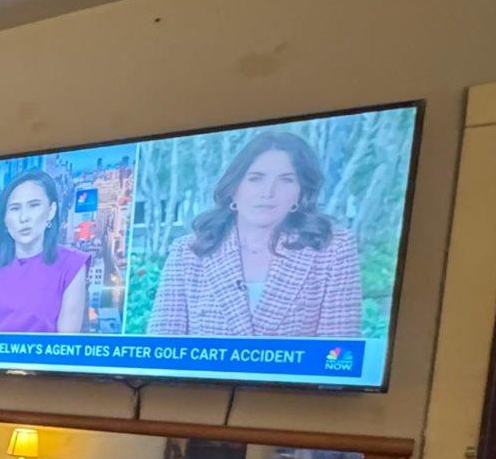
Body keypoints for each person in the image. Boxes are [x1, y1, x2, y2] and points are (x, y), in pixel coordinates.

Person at [145, 129, 362, 337]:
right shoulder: (189, 252)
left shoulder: (332, 249)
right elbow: (160, 349)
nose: (268, 192)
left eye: (286, 180)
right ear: (234, 187)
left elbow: (340, 352)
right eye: (256, 178)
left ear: (301, 192)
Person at [0, 170, 90, 334]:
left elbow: (66, 341)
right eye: (14, 208)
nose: (24, 217)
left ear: (51, 211)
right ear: (4, 219)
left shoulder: (72, 265)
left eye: (34, 205)